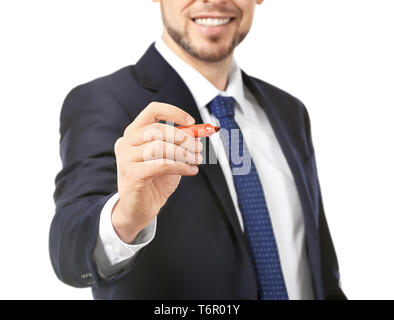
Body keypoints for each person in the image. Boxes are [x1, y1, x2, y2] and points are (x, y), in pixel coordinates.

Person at [49, 0, 346, 300]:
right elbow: (68, 246)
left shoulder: (290, 113)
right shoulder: (104, 102)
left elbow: (319, 269)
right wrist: (126, 217)